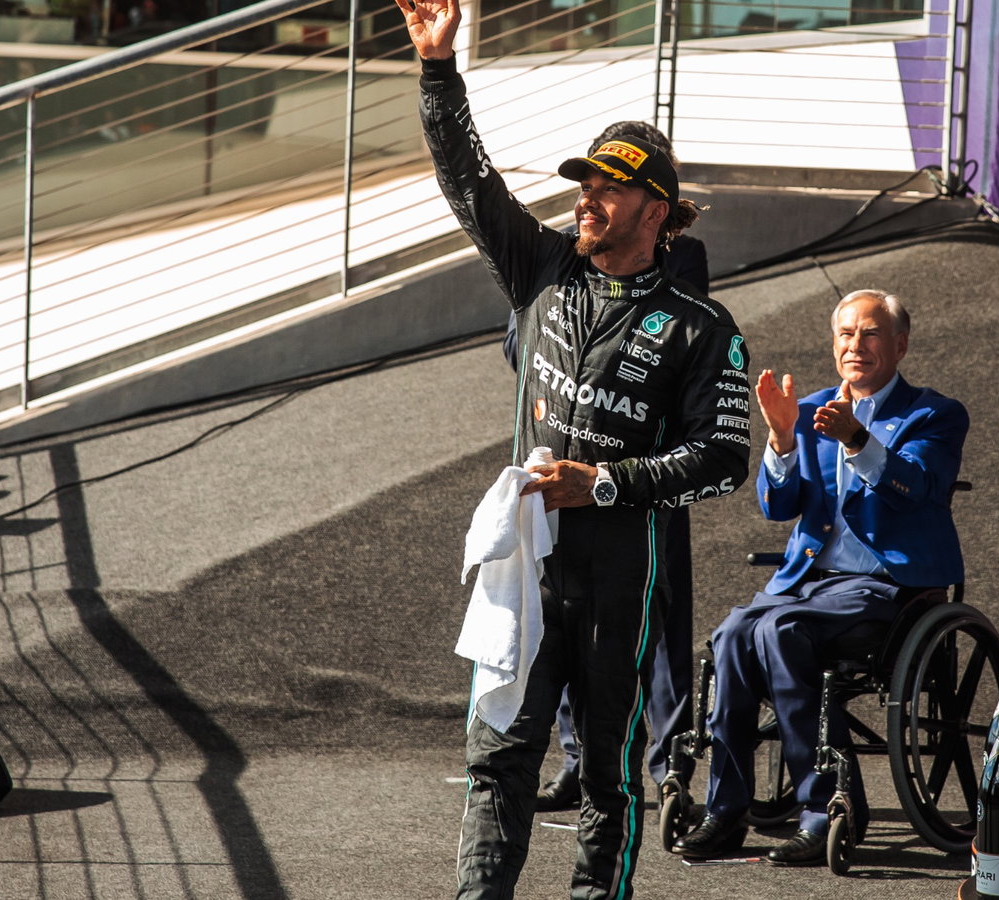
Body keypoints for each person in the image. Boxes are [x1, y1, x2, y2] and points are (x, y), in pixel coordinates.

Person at [394, 0, 751, 897]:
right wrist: (439, 72)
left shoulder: (702, 327)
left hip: (619, 577)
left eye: (607, 186)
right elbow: (468, 183)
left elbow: (724, 458)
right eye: (582, 183)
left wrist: (605, 484)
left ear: (655, 208)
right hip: (526, 568)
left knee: (609, 778)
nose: (585, 198)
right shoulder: (543, 271)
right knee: (497, 763)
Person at [670, 289, 969, 866]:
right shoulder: (805, 410)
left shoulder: (934, 414)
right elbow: (778, 507)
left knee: (779, 630)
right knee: (733, 633)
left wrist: (858, 439)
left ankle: (826, 806)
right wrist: (782, 440)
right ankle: (726, 810)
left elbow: (920, 488)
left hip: (889, 589)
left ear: (900, 344)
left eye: (871, 334)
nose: (856, 345)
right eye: (846, 334)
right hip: (808, 584)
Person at [514, 121, 709, 814]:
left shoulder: (681, 259)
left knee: (655, 628)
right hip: (564, 480)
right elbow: (523, 341)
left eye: (613, 178)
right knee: (565, 623)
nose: (592, 194)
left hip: (645, 489)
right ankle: (575, 758)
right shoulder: (568, 258)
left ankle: (668, 764)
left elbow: (670, 360)